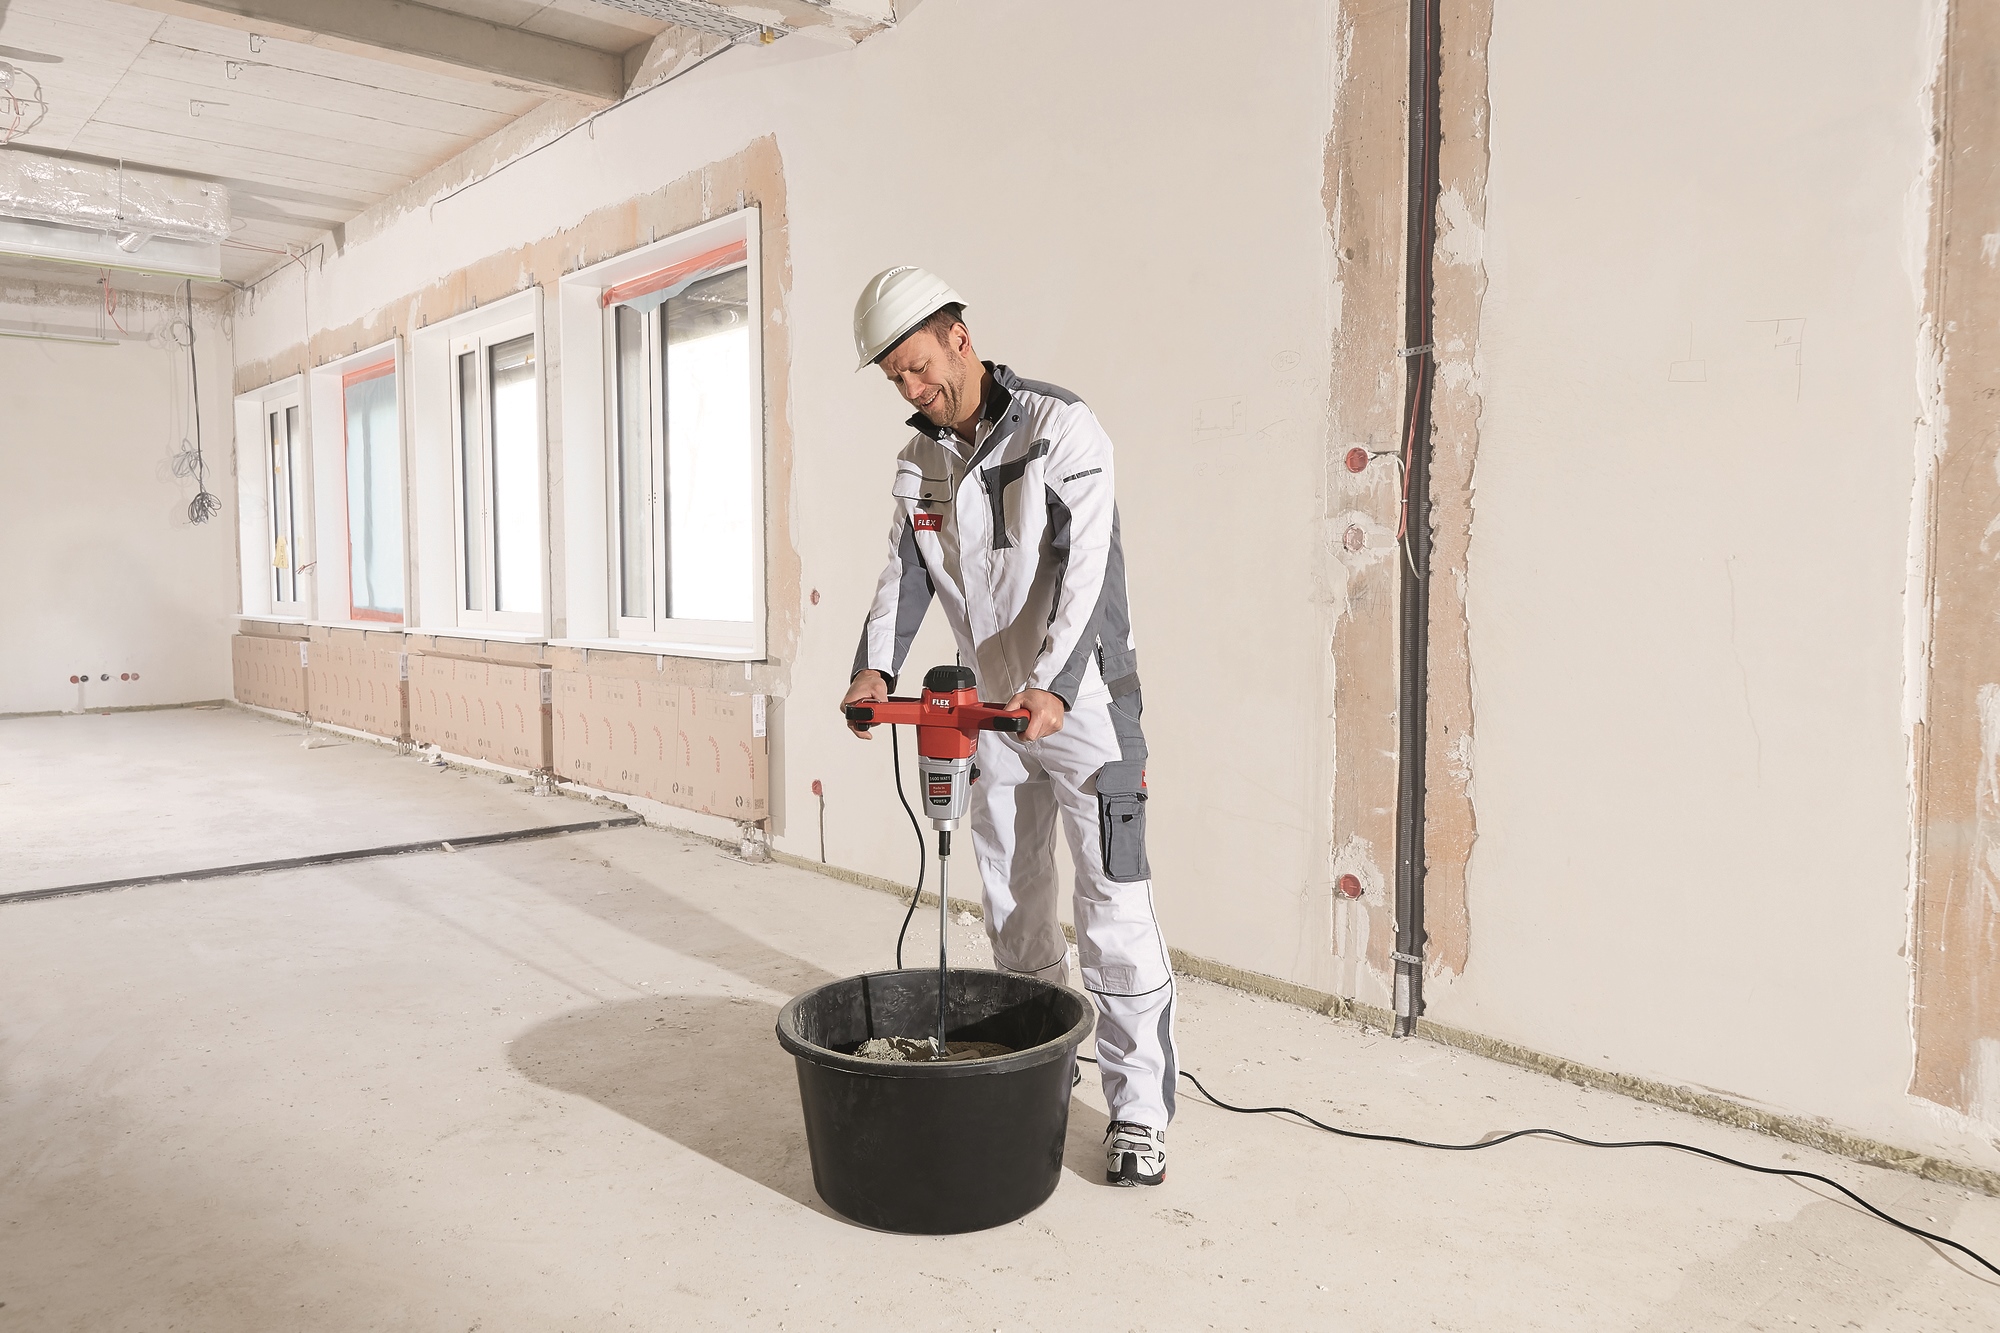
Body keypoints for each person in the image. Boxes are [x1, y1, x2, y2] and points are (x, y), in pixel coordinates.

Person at [842, 266, 1177, 1186]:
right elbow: (906, 571)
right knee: (1013, 907)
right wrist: (875, 668)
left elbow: (1088, 566)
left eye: (919, 365)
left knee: (1112, 907)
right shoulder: (921, 460)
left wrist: (1056, 686)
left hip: (1086, 707)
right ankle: (1044, 1055)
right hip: (994, 713)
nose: (913, 388)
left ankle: (1139, 1113)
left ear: (959, 336)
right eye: (895, 378)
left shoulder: (1060, 427)